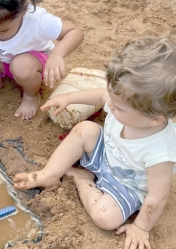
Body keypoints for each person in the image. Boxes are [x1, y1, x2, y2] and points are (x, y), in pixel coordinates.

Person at [13, 37, 176, 249]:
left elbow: (156, 196)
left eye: (118, 108)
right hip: (107, 153)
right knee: (85, 129)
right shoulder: (127, 105)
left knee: (106, 218)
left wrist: (141, 227)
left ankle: (82, 180)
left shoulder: (159, 152)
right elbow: (100, 96)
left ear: (154, 119)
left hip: (126, 185)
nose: (111, 106)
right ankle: (49, 174)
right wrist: (70, 98)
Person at [0, 0, 84, 120]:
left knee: (21, 66)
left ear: (21, 12)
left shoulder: (36, 20)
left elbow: (75, 32)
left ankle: (31, 95)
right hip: (2, 60)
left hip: (32, 64)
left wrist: (57, 55)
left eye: (3, 31)